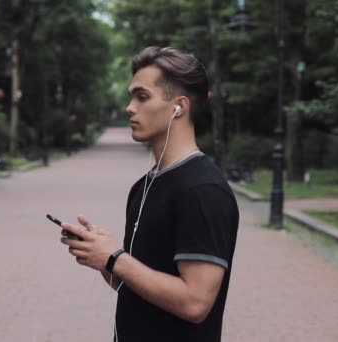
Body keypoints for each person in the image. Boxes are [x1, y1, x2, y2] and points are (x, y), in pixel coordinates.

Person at [60, 46, 239, 342]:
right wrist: (102, 255)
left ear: (178, 106)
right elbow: (132, 284)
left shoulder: (203, 190)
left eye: (142, 97)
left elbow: (195, 302)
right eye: (132, 96)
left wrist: (116, 258)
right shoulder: (145, 185)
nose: (130, 107)